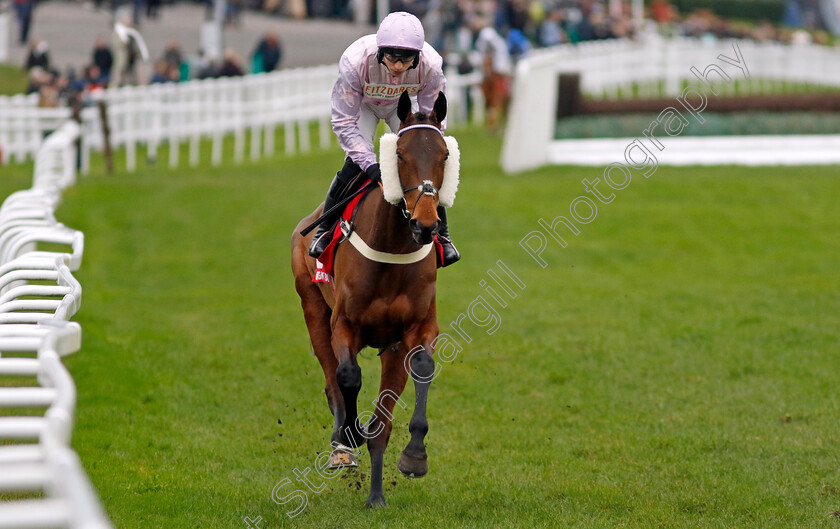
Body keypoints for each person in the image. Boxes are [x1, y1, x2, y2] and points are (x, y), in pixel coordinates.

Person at [308, 11, 460, 266]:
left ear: (418, 56)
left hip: (403, 107)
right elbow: (344, 121)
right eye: (392, 57)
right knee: (354, 163)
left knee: (424, 161)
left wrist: (425, 147)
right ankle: (324, 228)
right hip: (364, 107)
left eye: (407, 58)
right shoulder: (354, 61)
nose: (398, 66)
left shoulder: (431, 65)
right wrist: (370, 164)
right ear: (379, 52)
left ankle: (442, 236)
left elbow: (433, 120)